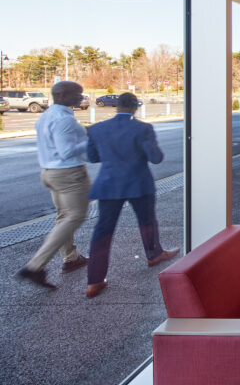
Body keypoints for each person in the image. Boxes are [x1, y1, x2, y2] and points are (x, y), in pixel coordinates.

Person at [83, 92, 179, 298]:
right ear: (136, 107)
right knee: (147, 222)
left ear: (117, 106)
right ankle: (154, 254)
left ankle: (94, 281)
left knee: (103, 231)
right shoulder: (143, 128)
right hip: (138, 183)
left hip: (108, 184)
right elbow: (156, 158)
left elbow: (92, 157)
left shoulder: (97, 129)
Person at [16, 81, 91, 289]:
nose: (81, 97)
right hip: (69, 174)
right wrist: (91, 141)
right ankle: (34, 266)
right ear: (63, 96)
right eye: (78, 93)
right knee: (75, 216)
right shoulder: (63, 120)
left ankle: (71, 258)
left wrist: (85, 131)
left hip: (50, 173)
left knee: (64, 216)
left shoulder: (47, 116)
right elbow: (66, 151)